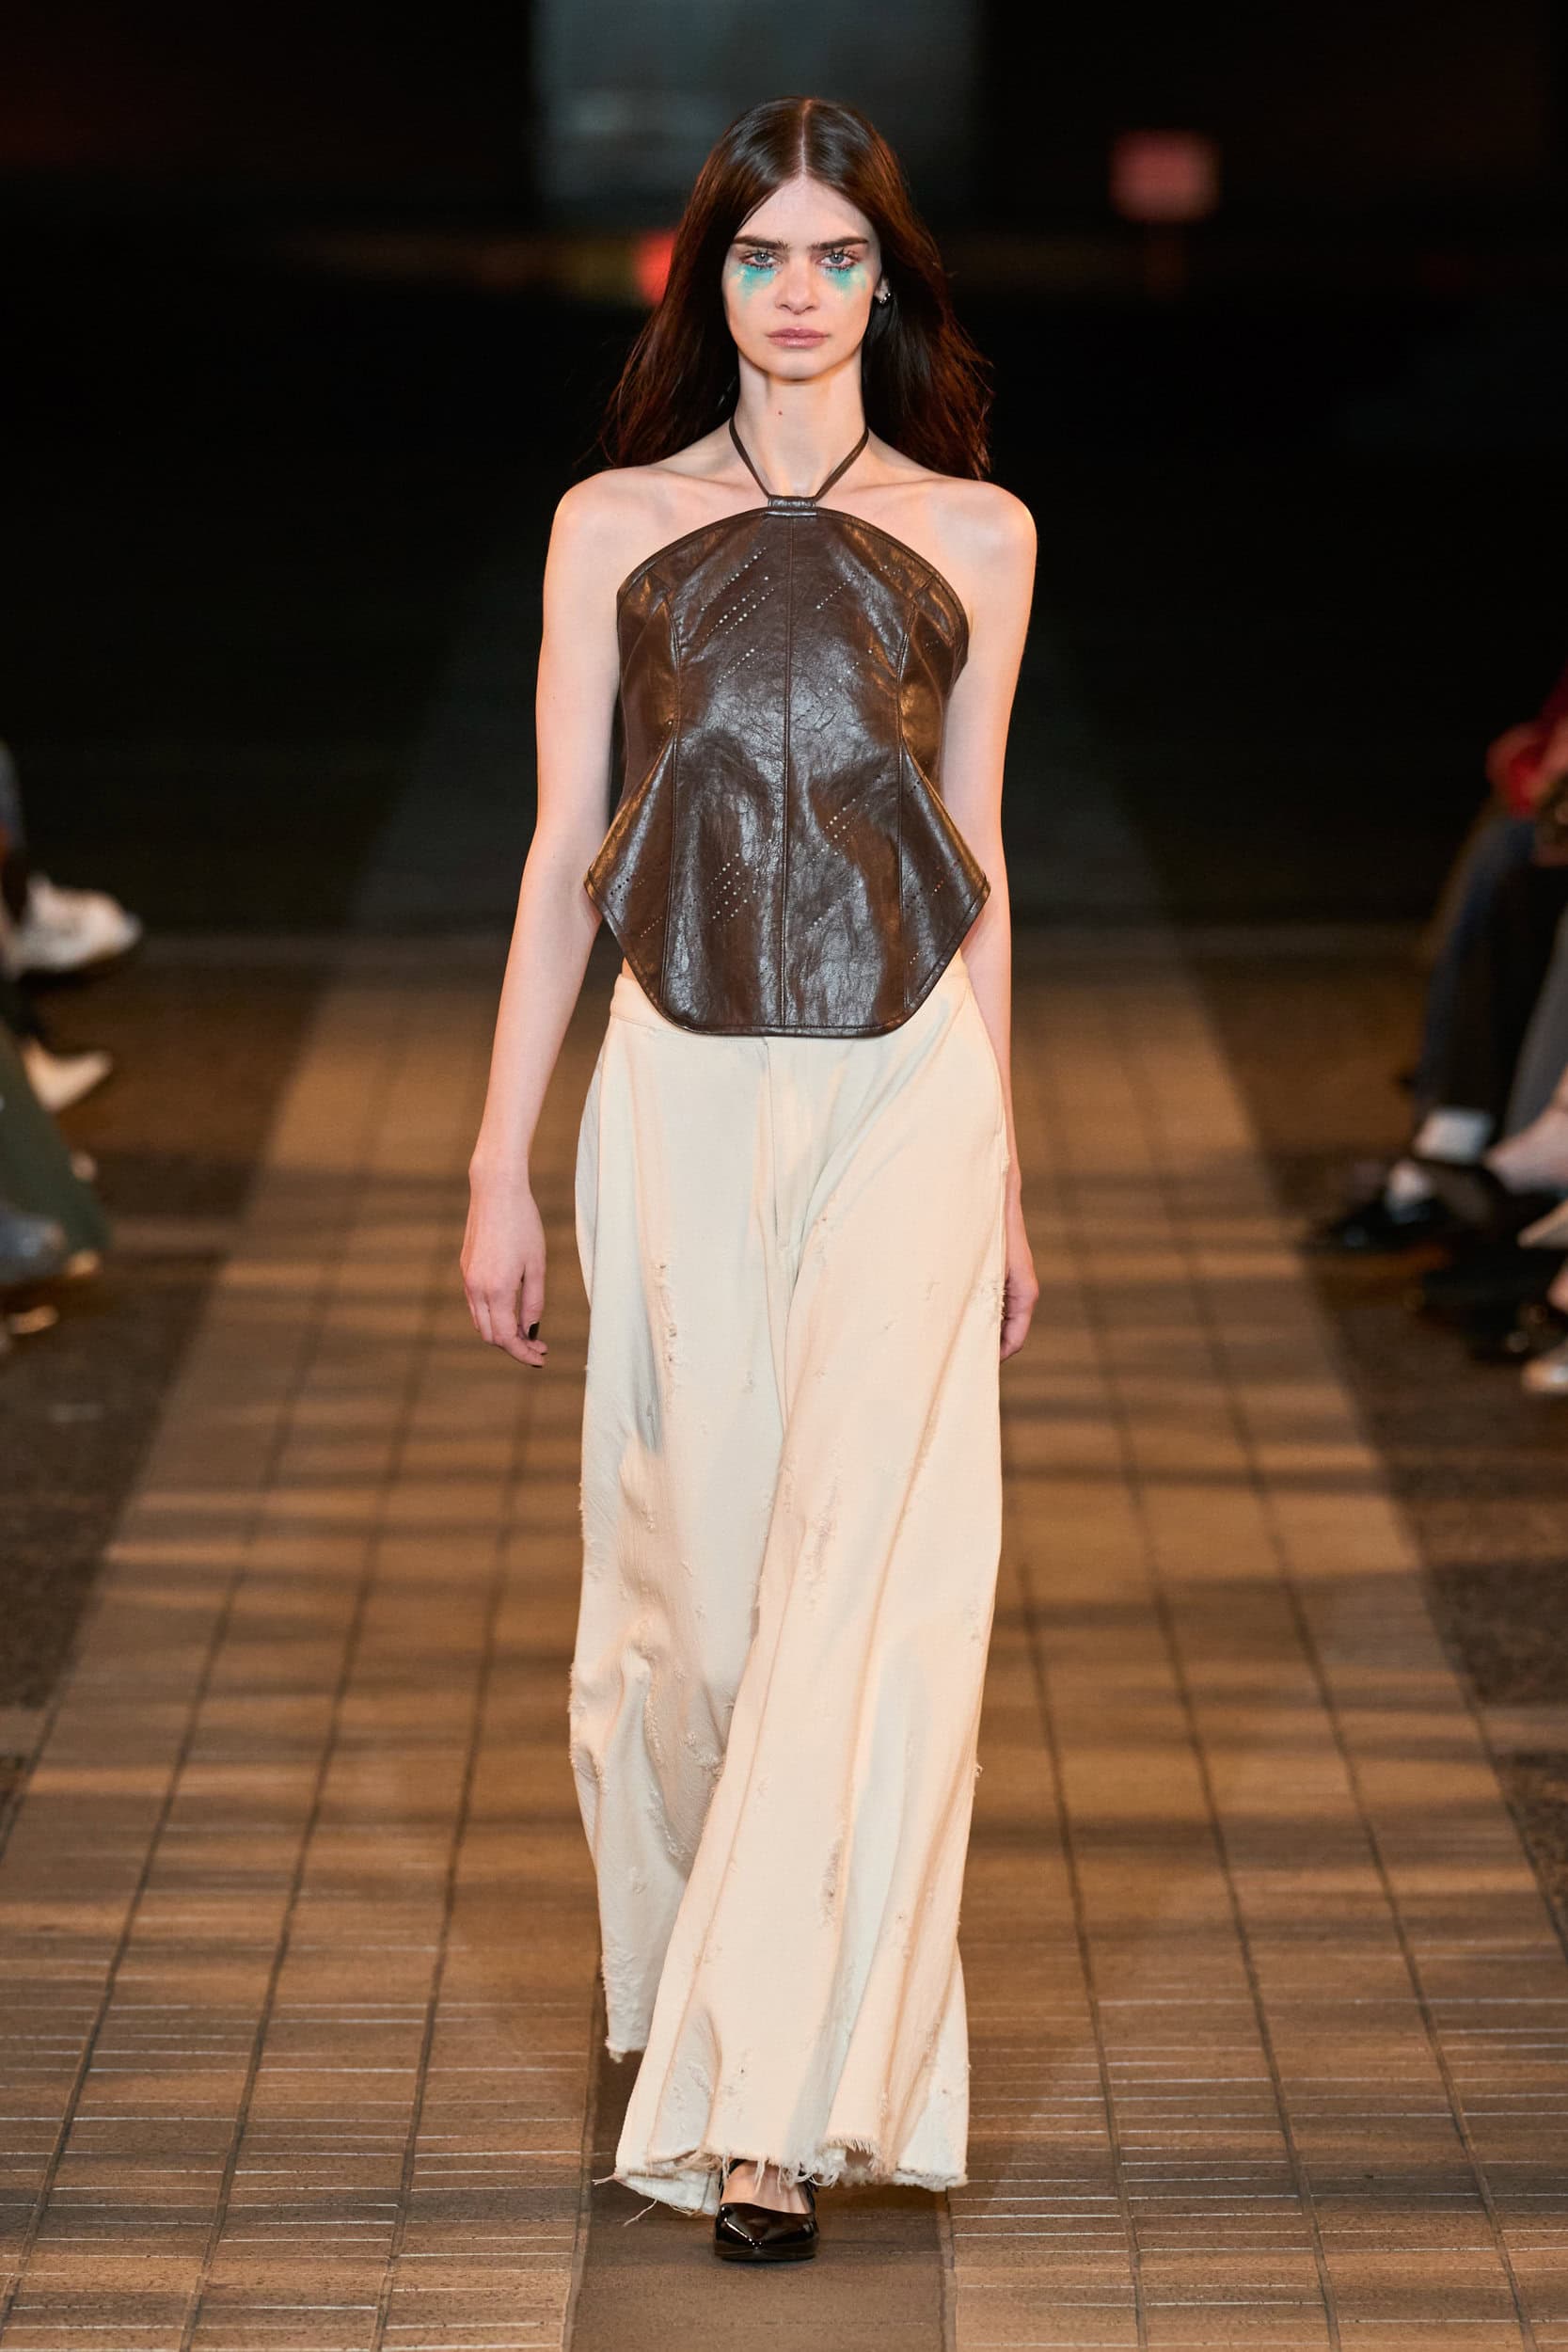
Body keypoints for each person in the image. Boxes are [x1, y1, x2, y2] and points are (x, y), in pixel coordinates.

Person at [462, 96, 1037, 2264]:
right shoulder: (610, 524)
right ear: (709, 279)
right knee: (696, 1600)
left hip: (907, 1093)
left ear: (889, 283)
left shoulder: (980, 535)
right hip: (679, 1090)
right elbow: (560, 853)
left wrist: (1009, 1177)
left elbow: (982, 865)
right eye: (761, 255)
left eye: (837, 257)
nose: (799, 294)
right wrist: (499, 1164)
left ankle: (774, 2105)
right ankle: (701, 1998)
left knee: (862, 1593)